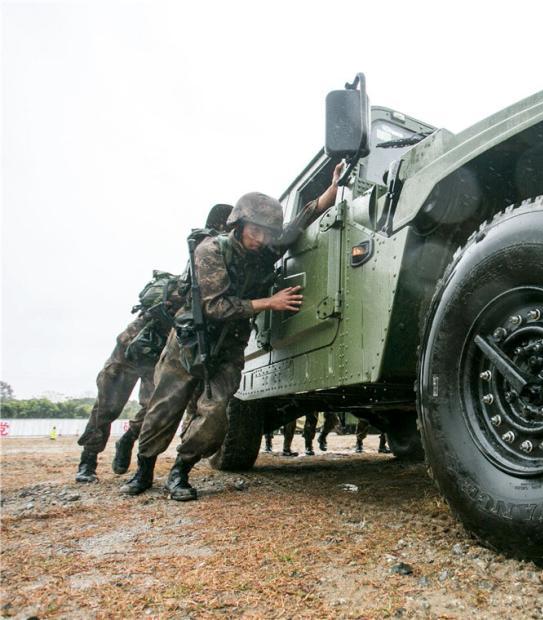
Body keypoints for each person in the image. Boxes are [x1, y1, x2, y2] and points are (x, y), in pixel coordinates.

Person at [122, 161, 345, 501]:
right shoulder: (210, 251)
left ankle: (181, 470)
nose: (261, 239)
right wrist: (268, 303)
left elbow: (306, 216)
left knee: (215, 416)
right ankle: (144, 469)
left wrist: (332, 187)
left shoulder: (268, 246)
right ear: (239, 224)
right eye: (255, 230)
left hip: (230, 345)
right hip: (191, 339)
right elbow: (215, 306)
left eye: (267, 232)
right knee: (164, 408)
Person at [74, 204, 232, 483]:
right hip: (132, 347)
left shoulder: (216, 268)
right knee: (108, 405)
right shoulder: (200, 260)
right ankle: (88, 461)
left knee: (152, 409)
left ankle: (127, 442)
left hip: (161, 354)